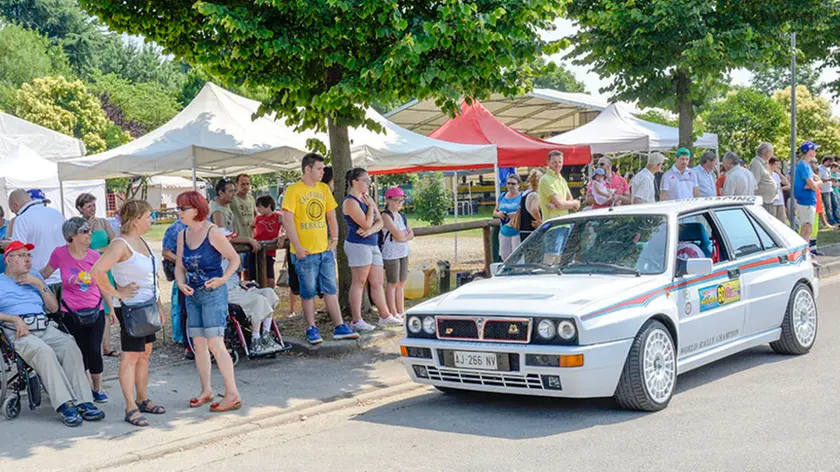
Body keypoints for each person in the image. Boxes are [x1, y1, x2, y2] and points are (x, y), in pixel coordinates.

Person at [0, 240, 105, 426]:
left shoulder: (34, 277)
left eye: (28, 255)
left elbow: (54, 307)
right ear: (8, 260)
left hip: (44, 326)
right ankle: (64, 404)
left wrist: (38, 284)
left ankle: (84, 401)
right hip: (19, 331)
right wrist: (13, 318)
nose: (28, 260)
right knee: (44, 352)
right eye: (22, 255)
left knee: (70, 346)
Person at [91, 200, 166, 427]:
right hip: (131, 309)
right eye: (148, 216)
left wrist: (159, 305)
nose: (151, 220)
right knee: (130, 356)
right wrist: (117, 293)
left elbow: (150, 278)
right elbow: (97, 271)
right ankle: (130, 406)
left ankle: (143, 398)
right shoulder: (120, 244)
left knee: (144, 354)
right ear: (135, 221)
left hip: (147, 306)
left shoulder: (140, 241)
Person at [175, 191, 243, 413]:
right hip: (192, 295)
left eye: (182, 208)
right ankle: (206, 390)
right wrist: (179, 283)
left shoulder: (213, 232)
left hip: (213, 293)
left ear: (196, 210)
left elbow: (234, 258)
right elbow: (179, 266)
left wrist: (223, 279)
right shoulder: (182, 235)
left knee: (215, 343)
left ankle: (232, 393)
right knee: (199, 344)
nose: (179, 212)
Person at [282, 153, 360, 344]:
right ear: (307, 169)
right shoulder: (293, 190)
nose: (322, 172)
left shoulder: (324, 189)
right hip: (305, 252)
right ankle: (311, 327)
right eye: (319, 168)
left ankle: (339, 326)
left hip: (324, 250)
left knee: (330, 289)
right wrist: (297, 246)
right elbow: (287, 219)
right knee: (307, 292)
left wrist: (334, 240)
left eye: (323, 168)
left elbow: (332, 216)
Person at [41, 217, 109, 404]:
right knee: (79, 351)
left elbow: (103, 284)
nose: (89, 234)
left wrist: (111, 310)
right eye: (84, 231)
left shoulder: (94, 256)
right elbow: (45, 273)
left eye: (89, 230)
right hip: (71, 312)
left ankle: (98, 387)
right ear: (71, 236)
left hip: (96, 310)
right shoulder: (59, 254)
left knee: (95, 350)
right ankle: (85, 387)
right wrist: (27, 279)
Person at [342, 168, 401, 331]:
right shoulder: (351, 202)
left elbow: (380, 222)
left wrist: (371, 230)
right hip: (357, 244)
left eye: (369, 180)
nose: (368, 183)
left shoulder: (367, 199)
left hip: (372, 243)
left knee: (377, 282)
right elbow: (366, 223)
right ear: (355, 182)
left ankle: (385, 316)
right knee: (359, 282)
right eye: (365, 180)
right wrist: (369, 210)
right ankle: (356, 320)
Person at [75, 192, 119, 359]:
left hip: (105, 268)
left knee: (107, 308)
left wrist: (103, 251)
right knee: (93, 305)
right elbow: (77, 247)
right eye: (88, 206)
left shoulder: (103, 222)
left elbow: (114, 242)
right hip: (88, 269)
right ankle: (94, 346)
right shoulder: (77, 225)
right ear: (80, 208)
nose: (92, 209)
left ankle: (107, 345)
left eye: (93, 205)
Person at [7, 189, 66, 287]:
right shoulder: (57, 214)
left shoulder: (22, 219)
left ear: (16, 205)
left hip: (39, 280)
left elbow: (18, 252)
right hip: (63, 277)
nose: (15, 214)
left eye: (13, 211)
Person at [381, 187, 414, 317]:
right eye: (396, 200)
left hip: (403, 252)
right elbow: (397, 233)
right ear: (388, 200)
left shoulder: (402, 216)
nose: (400, 203)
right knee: (392, 282)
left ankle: (401, 310)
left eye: (402, 201)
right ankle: (393, 312)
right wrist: (403, 236)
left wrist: (403, 237)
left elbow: (410, 234)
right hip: (391, 253)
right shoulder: (386, 216)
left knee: (401, 282)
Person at [162, 216, 191, 359]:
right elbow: (166, 252)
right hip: (184, 275)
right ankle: (186, 341)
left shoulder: (208, 224)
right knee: (183, 308)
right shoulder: (175, 228)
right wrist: (182, 263)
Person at [210, 178, 260, 254]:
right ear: (221, 193)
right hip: (220, 255)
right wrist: (248, 239)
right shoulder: (217, 211)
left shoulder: (225, 204)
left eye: (234, 191)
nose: (233, 194)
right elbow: (224, 235)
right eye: (230, 191)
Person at [252, 195, 285, 288]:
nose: (258, 209)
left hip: (269, 251)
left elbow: (287, 229)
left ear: (269, 206)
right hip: (256, 247)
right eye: (257, 207)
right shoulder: (258, 218)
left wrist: (282, 237)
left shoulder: (278, 216)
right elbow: (251, 226)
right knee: (255, 273)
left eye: (260, 207)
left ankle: (270, 292)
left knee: (269, 274)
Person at [793, 141, 823, 242]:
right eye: (814, 150)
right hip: (805, 200)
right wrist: (816, 183)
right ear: (809, 151)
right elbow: (813, 185)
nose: (815, 152)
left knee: (808, 228)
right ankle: (804, 252)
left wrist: (816, 183)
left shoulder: (807, 166)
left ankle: (806, 251)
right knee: (806, 228)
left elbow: (817, 180)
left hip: (809, 200)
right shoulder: (803, 166)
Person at [539, 150, 580, 220]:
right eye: (554, 162)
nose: (557, 164)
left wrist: (557, 205)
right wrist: (574, 203)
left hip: (564, 222)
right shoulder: (545, 180)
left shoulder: (562, 180)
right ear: (548, 162)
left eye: (560, 162)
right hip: (552, 225)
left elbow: (575, 205)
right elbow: (563, 204)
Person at [494, 173, 523, 259]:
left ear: (518, 185)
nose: (510, 186)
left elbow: (526, 212)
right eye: (508, 183)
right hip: (504, 230)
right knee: (504, 255)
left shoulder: (522, 196)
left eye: (513, 184)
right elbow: (495, 211)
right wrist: (499, 214)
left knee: (517, 255)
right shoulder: (502, 196)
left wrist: (515, 214)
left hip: (517, 230)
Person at [750, 143, 780, 212]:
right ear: (767, 153)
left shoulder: (764, 163)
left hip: (768, 201)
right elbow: (754, 184)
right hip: (763, 202)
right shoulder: (756, 164)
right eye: (772, 151)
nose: (772, 154)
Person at [518, 169, 543, 240]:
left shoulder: (524, 194)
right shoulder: (535, 195)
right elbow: (534, 209)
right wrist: (539, 221)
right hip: (532, 231)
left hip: (523, 230)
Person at [818, 157, 838, 226]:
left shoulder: (828, 168)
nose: (831, 164)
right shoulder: (820, 169)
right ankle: (830, 221)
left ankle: (836, 219)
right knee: (828, 206)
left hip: (830, 189)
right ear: (826, 161)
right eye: (830, 162)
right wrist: (829, 179)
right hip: (824, 190)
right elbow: (819, 180)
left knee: (835, 204)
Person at [769, 157, 790, 223]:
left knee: (782, 221)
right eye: (775, 164)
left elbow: (788, 185)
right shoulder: (767, 175)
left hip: (780, 202)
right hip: (772, 202)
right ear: (770, 164)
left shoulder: (776, 175)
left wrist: (779, 173)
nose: (777, 166)